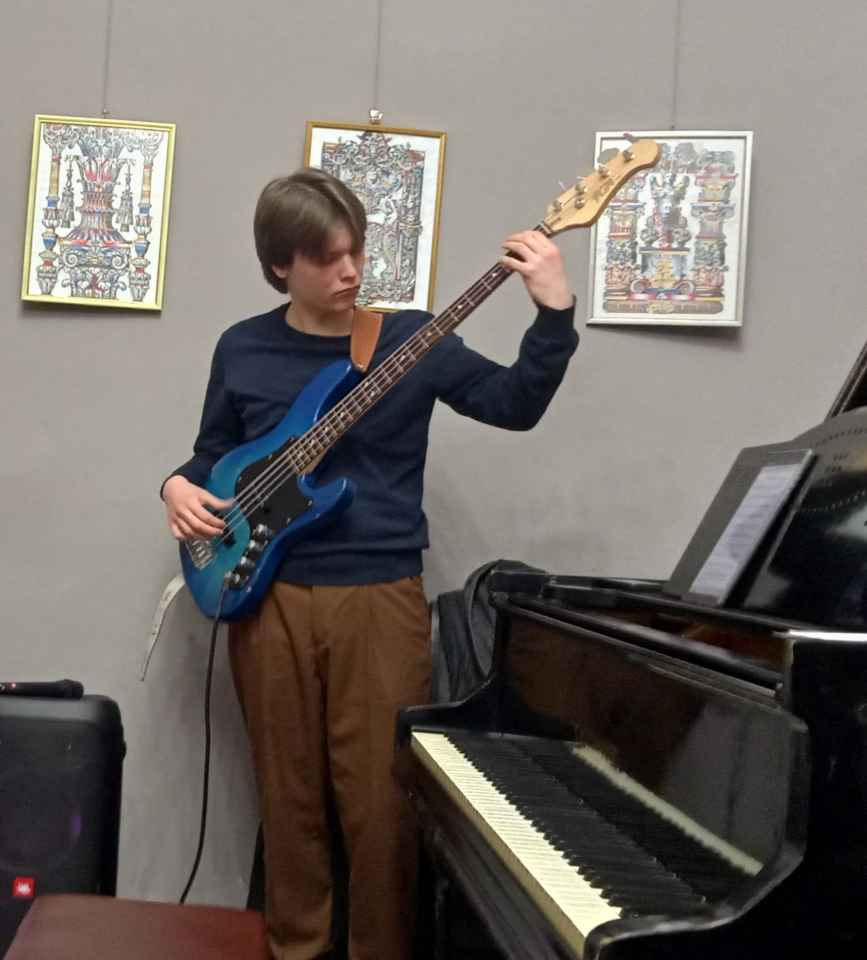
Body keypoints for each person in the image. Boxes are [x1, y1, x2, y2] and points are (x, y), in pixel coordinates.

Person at [162, 167, 578, 960]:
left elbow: (514, 405)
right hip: (266, 596)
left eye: (356, 251)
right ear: (280, 264)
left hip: (378, 596)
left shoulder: (410, 339)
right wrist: (175, 486)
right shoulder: (243, 346)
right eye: (327, 258)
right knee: (286, 796)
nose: (351, 271)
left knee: (382, 806)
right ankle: (295, 948)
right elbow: (214, 453)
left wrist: (553, 313)